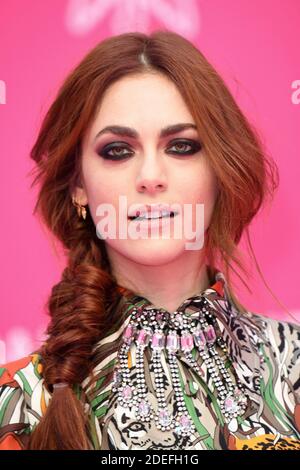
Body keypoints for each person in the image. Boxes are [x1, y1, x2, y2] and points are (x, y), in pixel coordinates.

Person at [0, 30, 299, 451]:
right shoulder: (19, 401)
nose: (151, 177)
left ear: (221, 172)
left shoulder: (293, 367)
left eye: (181, 146)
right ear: (78, 186)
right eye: (118, 151)